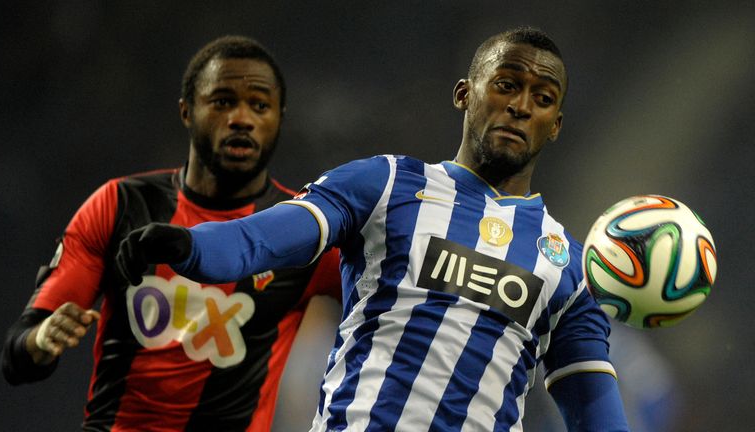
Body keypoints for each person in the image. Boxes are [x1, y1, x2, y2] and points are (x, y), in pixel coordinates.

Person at [116, 27, 630, 431]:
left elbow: (595, 410)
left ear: (556, 124)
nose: (521, 106)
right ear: (464, 94)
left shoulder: (568, 268)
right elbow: (265, 238)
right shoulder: (385, 184)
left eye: (542, 98)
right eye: (506, 85)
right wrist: (186, 244)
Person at [1, 35, 341, 431]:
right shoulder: (118, 205)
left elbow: (391, 302)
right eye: (222, 102)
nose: (242, 118)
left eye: (259, 105)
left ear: (279, 118)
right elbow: (18, 356)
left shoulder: (299, 228)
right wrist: (42, 339)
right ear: (186, 112)